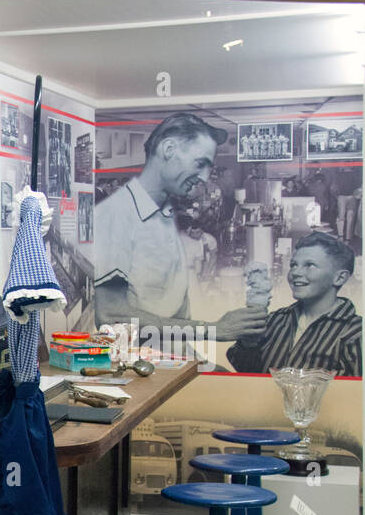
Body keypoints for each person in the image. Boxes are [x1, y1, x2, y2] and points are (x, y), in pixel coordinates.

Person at [94, 112, 268, 344]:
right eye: (200, 164)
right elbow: (112, 317)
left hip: (172, 358)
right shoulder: (117, 215)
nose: (205, 177)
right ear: (168, 150)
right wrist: (213, 330)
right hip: (141, 367)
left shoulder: (163, 210)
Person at [226, 231, 361, 376]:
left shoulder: (355, 333)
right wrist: (248, 344)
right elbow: (249, 374)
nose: (295, 272)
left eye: (309, 265)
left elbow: (356, 394)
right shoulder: (275, 319)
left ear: (339, 278)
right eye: (293, 265)